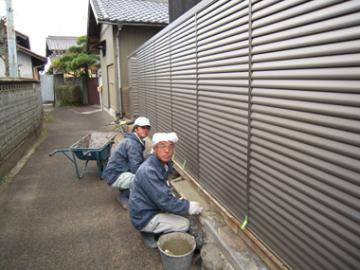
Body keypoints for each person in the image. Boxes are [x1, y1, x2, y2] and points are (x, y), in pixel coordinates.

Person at [129, 132, 202, 248]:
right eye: (162, 146)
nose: (167, 150)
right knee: (184, 224)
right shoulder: (149, 171)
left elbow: (163, 189)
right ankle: (148, 231)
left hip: (148, 206)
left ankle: (154, 227)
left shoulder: (162, 164)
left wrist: (177, 201)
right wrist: (188, 206)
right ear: (155, 148)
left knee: (176, 209)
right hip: (144, 216)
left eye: (170, 146)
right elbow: (164, 201)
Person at [102, 116, 151, 209]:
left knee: (143, 168)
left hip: (115, 172)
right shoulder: (133, 143)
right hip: (114, 175)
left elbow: (138, 160)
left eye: (147, 128)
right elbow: (136, 168)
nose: (145, 130)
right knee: (141, 178)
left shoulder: (135, 140)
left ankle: (125, 190)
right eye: (143, 127)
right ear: (136, 129)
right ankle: (124, 196)